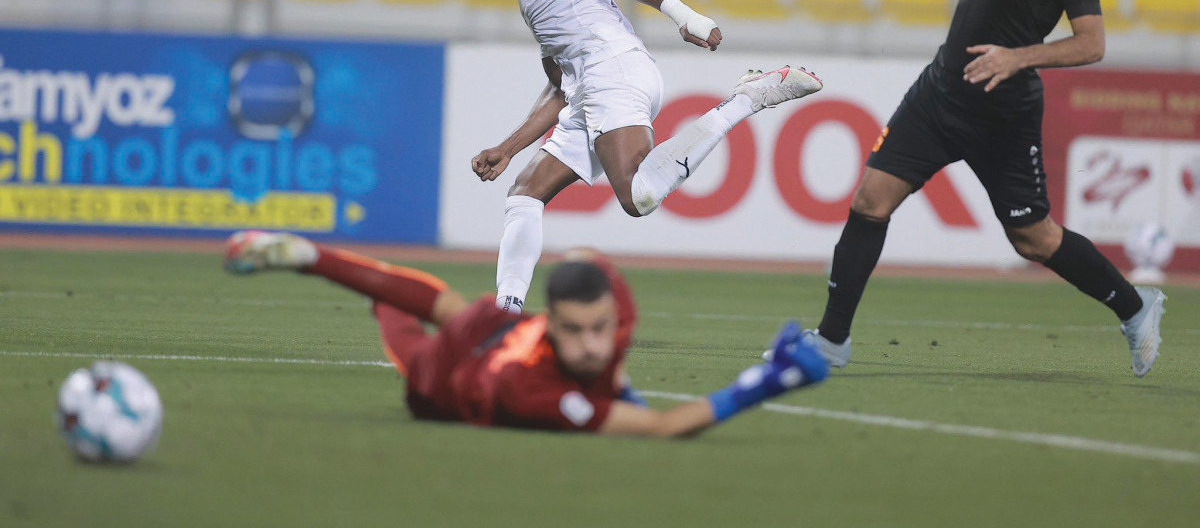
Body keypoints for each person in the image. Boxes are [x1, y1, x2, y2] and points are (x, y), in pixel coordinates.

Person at [801, 0, 1165, 377]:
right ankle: (830, 342)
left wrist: (1017, 58)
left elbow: (1093, 43)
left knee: (1033, 239)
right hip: (938, 94)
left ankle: (1136, 308)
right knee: (869, 202)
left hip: (1001, 114)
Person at [469, 0, 823, 313]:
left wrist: (685, 16)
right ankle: (507, 310)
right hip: (590, 87)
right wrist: (508, 147)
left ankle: (745, 100)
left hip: (612, 71)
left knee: (639, 196)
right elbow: (561, 89)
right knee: (525, 193)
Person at [223, 230, 829, 437]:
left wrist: (621, 384)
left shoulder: (611, 303)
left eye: (600, 329)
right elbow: (664, 429)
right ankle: (308, 257)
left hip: (500, 329)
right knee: (406, 328)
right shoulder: (535, 396)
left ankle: (307, 256)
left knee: (443, 306)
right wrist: (769, 382)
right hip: (453, 381)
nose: (592, 343)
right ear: (553, 322)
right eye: (577, 332)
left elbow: (589, 262)